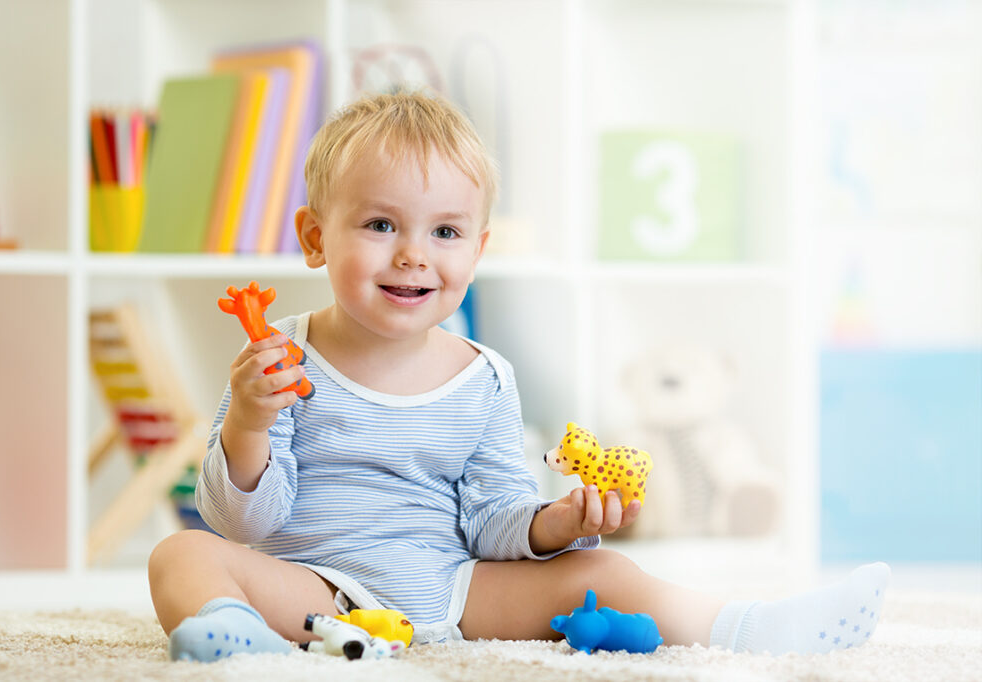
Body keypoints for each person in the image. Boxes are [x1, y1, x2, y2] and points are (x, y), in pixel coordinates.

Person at [147, 90, 890, 662]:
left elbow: (492, 517)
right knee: (182, 555)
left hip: (459, 593)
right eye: (380, 225)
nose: (413, 255)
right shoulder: (277, 358)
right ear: (315, 236)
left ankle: (753, 626)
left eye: (445, 232)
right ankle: (244, 643)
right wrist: (247, 421)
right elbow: (243, 523)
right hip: (318, 593)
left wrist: (553, 523)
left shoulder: (484, 378)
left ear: (478, 247)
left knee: (610, 575)